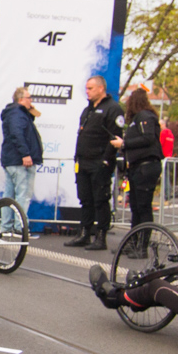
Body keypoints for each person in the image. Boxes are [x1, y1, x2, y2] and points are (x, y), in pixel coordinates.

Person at [65, 75, 123, 250]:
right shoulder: (88, 110)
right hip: (83, 162)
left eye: (90, 88)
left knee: (100, 200)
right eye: (86, 88)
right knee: (85, 199)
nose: (87, 91)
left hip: (99, 163)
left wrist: (105, 161)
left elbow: (115, 138)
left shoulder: (113, 109)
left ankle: (100, 236)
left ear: (100, 88)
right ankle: (84, 233)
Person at [115, 86, 162, 240]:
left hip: (146, 166)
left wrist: (124, 143)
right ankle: (134, 241)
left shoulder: (144, 117)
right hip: (138, 166)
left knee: (143, 206)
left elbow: (148, 138)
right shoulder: (139, 119)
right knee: (136, 206)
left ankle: (142, 244)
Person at [0, 87, 43, 221]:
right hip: (19, 161)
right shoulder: (17, 113)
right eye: (29, 98)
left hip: (13, 160)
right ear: (21, 99)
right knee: (23, 194)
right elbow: (17, 134)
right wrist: (25, 154)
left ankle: (6, 226)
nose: (31, 100)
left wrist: (29, 111)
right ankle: (20, 227)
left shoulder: (15, 113)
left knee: (10, 195)